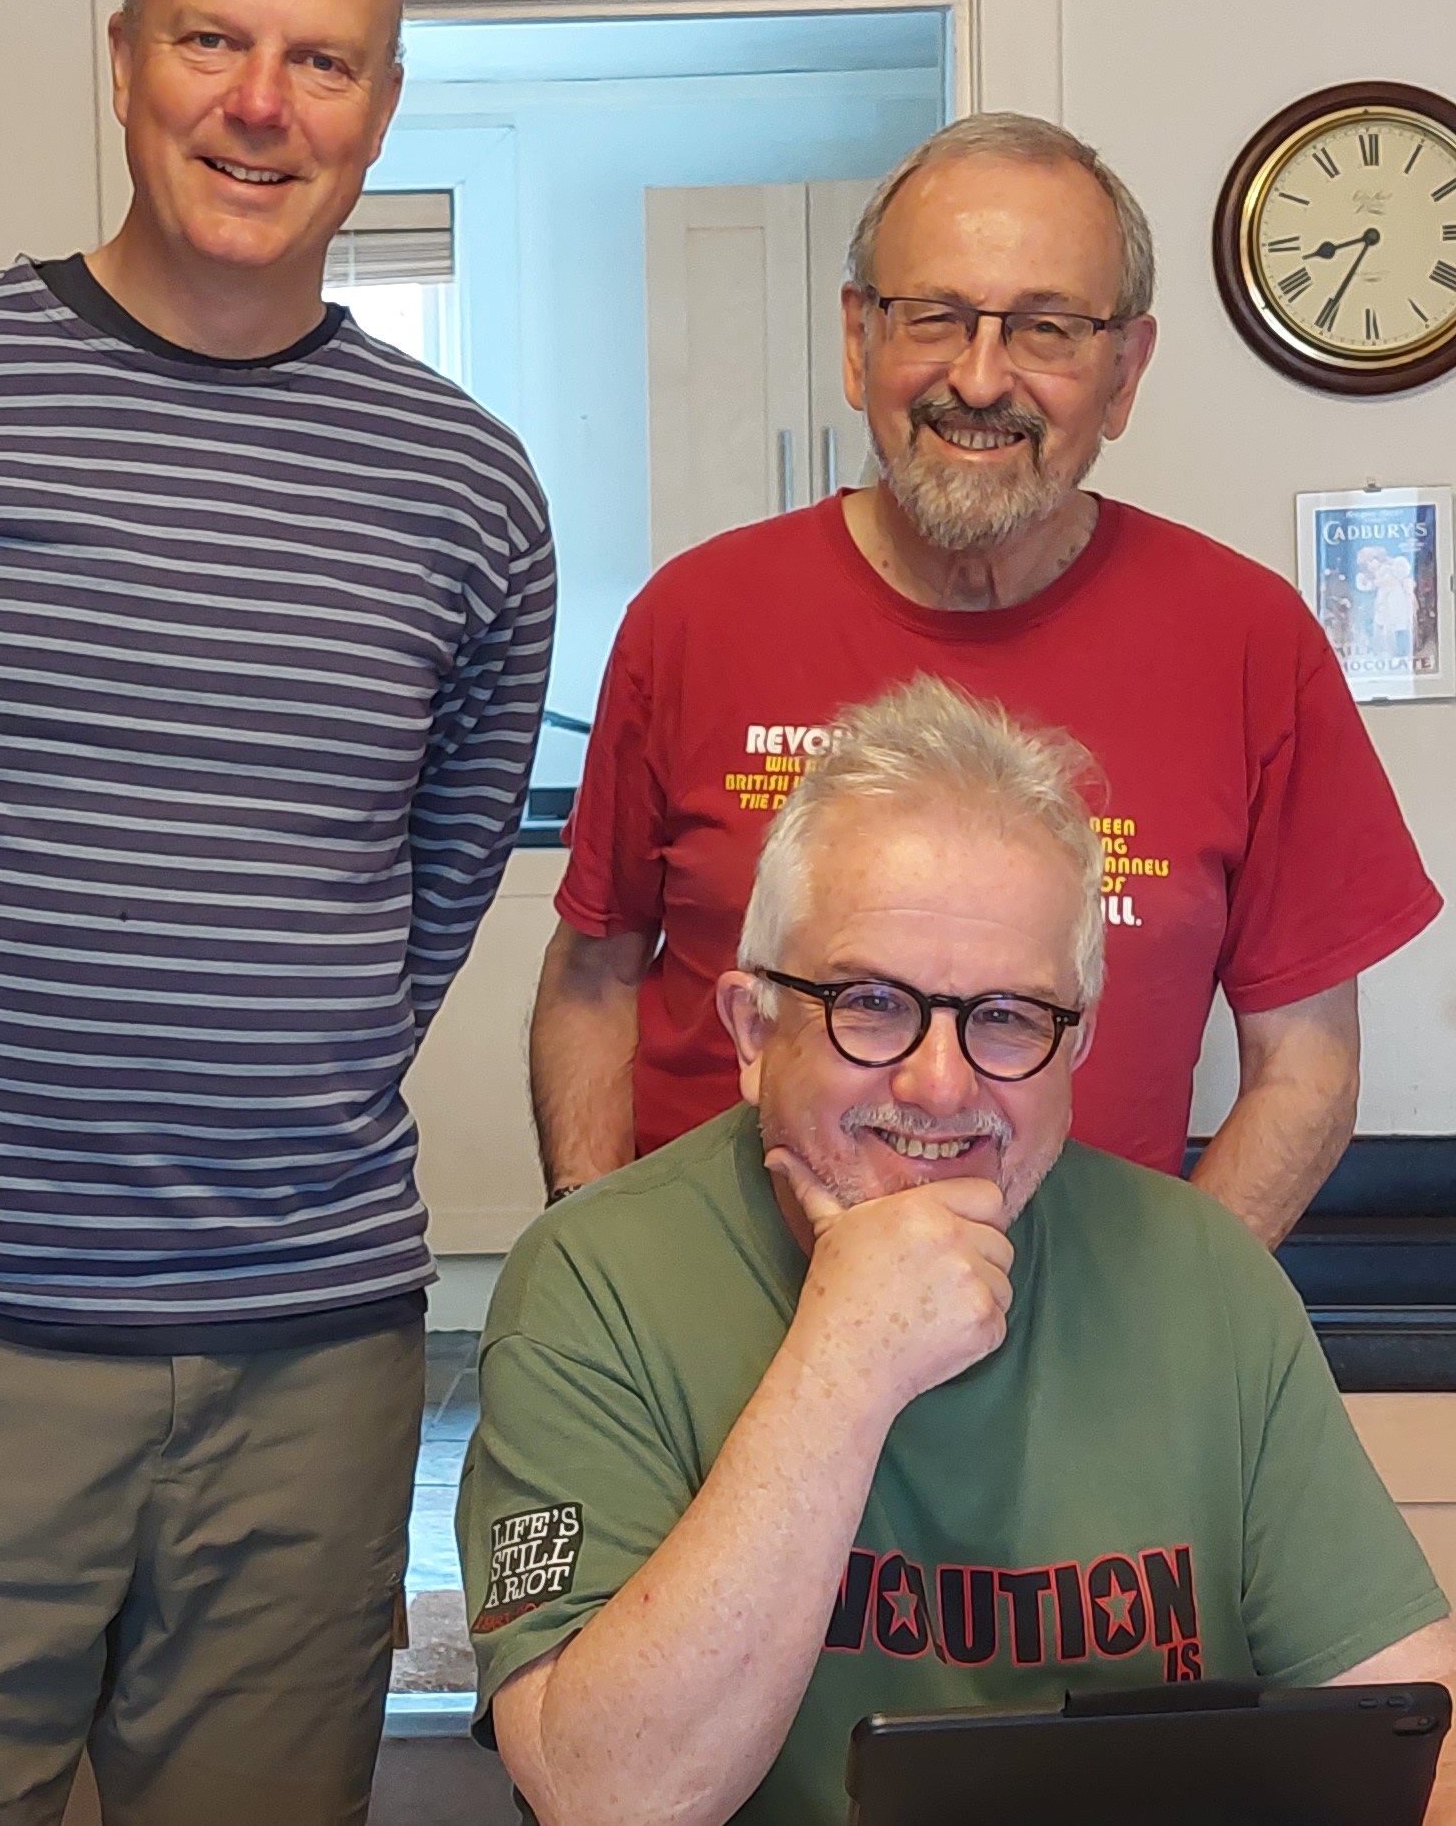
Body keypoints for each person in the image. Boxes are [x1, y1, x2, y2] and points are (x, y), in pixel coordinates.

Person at [0, 0, 554, 1826]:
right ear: (120, 58)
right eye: (209, 39)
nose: (261, 104)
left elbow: (429, 887)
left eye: (321, 60)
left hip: (307, 1372)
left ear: (381, 105)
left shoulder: (466, 491)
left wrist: (254, 1083)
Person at [461, 677, 1456, 1826]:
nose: (940, 1085)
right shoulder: (594, 1282)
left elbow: (1415, 1732)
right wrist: (845, 1366)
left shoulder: (1206, 1276)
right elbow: (609, 1796)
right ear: (752, 1030)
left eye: (1007, 1017)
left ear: (1075, 1042)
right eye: (872, 1004)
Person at [531, 112, 1441, 1244]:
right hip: (709, 1309)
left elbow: (1305, 1067)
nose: (977, 377)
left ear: (1124, 372)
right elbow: (596, 974)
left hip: (1070, 1332)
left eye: (1047, 329)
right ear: (858, 339)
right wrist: (590, 1253)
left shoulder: (1249, 644)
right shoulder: (694, 618)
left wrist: (1164, 1321)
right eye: (935, 316)